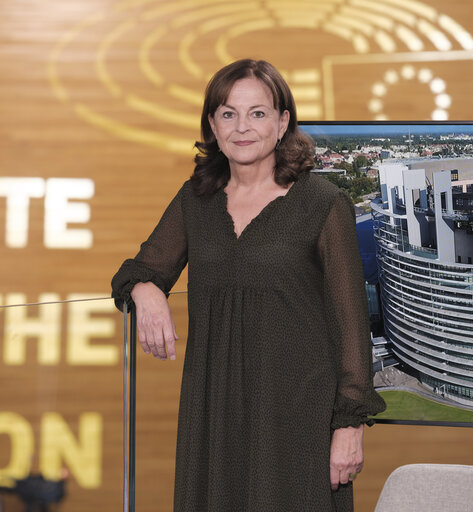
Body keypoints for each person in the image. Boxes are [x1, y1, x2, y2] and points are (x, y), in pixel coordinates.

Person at [111, 59, 386, 511]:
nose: (242, 127)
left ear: (282, 123)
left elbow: (352, 325)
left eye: (257, 113)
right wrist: (147, 290)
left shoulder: (324, 203)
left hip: (297, 415)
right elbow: (140, 269)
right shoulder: (195, 199)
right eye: (227, 113)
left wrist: (349, 426)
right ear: (212, 126)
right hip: (213, 412)